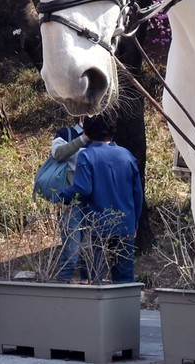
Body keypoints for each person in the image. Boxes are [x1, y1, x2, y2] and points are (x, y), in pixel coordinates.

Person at [54, 114, 143, 283]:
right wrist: (135, 222)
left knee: (94, 276)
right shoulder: (127, 155)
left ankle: (96, 309)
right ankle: (124, 308)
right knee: (124, 276)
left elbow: (83, 188)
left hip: (97, 226)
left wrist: (62, 196)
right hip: (125, 224)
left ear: (86, 131)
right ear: (113, 130)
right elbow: (137, 193)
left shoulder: (87, 156)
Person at [46, 121, 87, 281]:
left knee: (91, 254)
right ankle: (61, 291)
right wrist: (83, 139)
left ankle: (90, 295)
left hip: (95, 203)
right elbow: (58, 154)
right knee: (71, 253)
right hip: (71, 204)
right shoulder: (65, 133)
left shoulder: (103, 134)